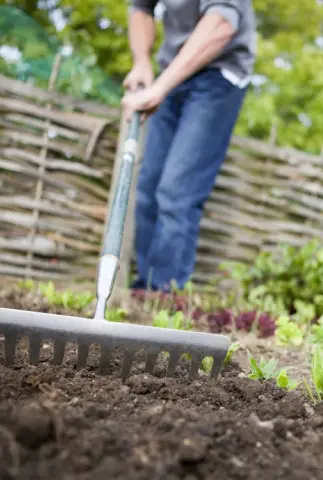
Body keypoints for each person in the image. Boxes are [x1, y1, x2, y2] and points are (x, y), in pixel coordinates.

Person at [121, 0, 256, 292]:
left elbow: (222, 23)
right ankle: (144, 290)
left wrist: (160, 87)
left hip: (219, 72)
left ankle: (164, 297)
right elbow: (141, 8)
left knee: (176, 191)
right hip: (173, 70)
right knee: (148, 187)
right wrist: (142, 61)